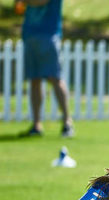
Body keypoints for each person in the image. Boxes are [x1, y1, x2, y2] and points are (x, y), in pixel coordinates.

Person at [20, 0, 73, 137]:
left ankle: (67, 122)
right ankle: (37, 125)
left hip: (49, 35)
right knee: (34, 80)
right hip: (30, 34)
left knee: (55, 78)